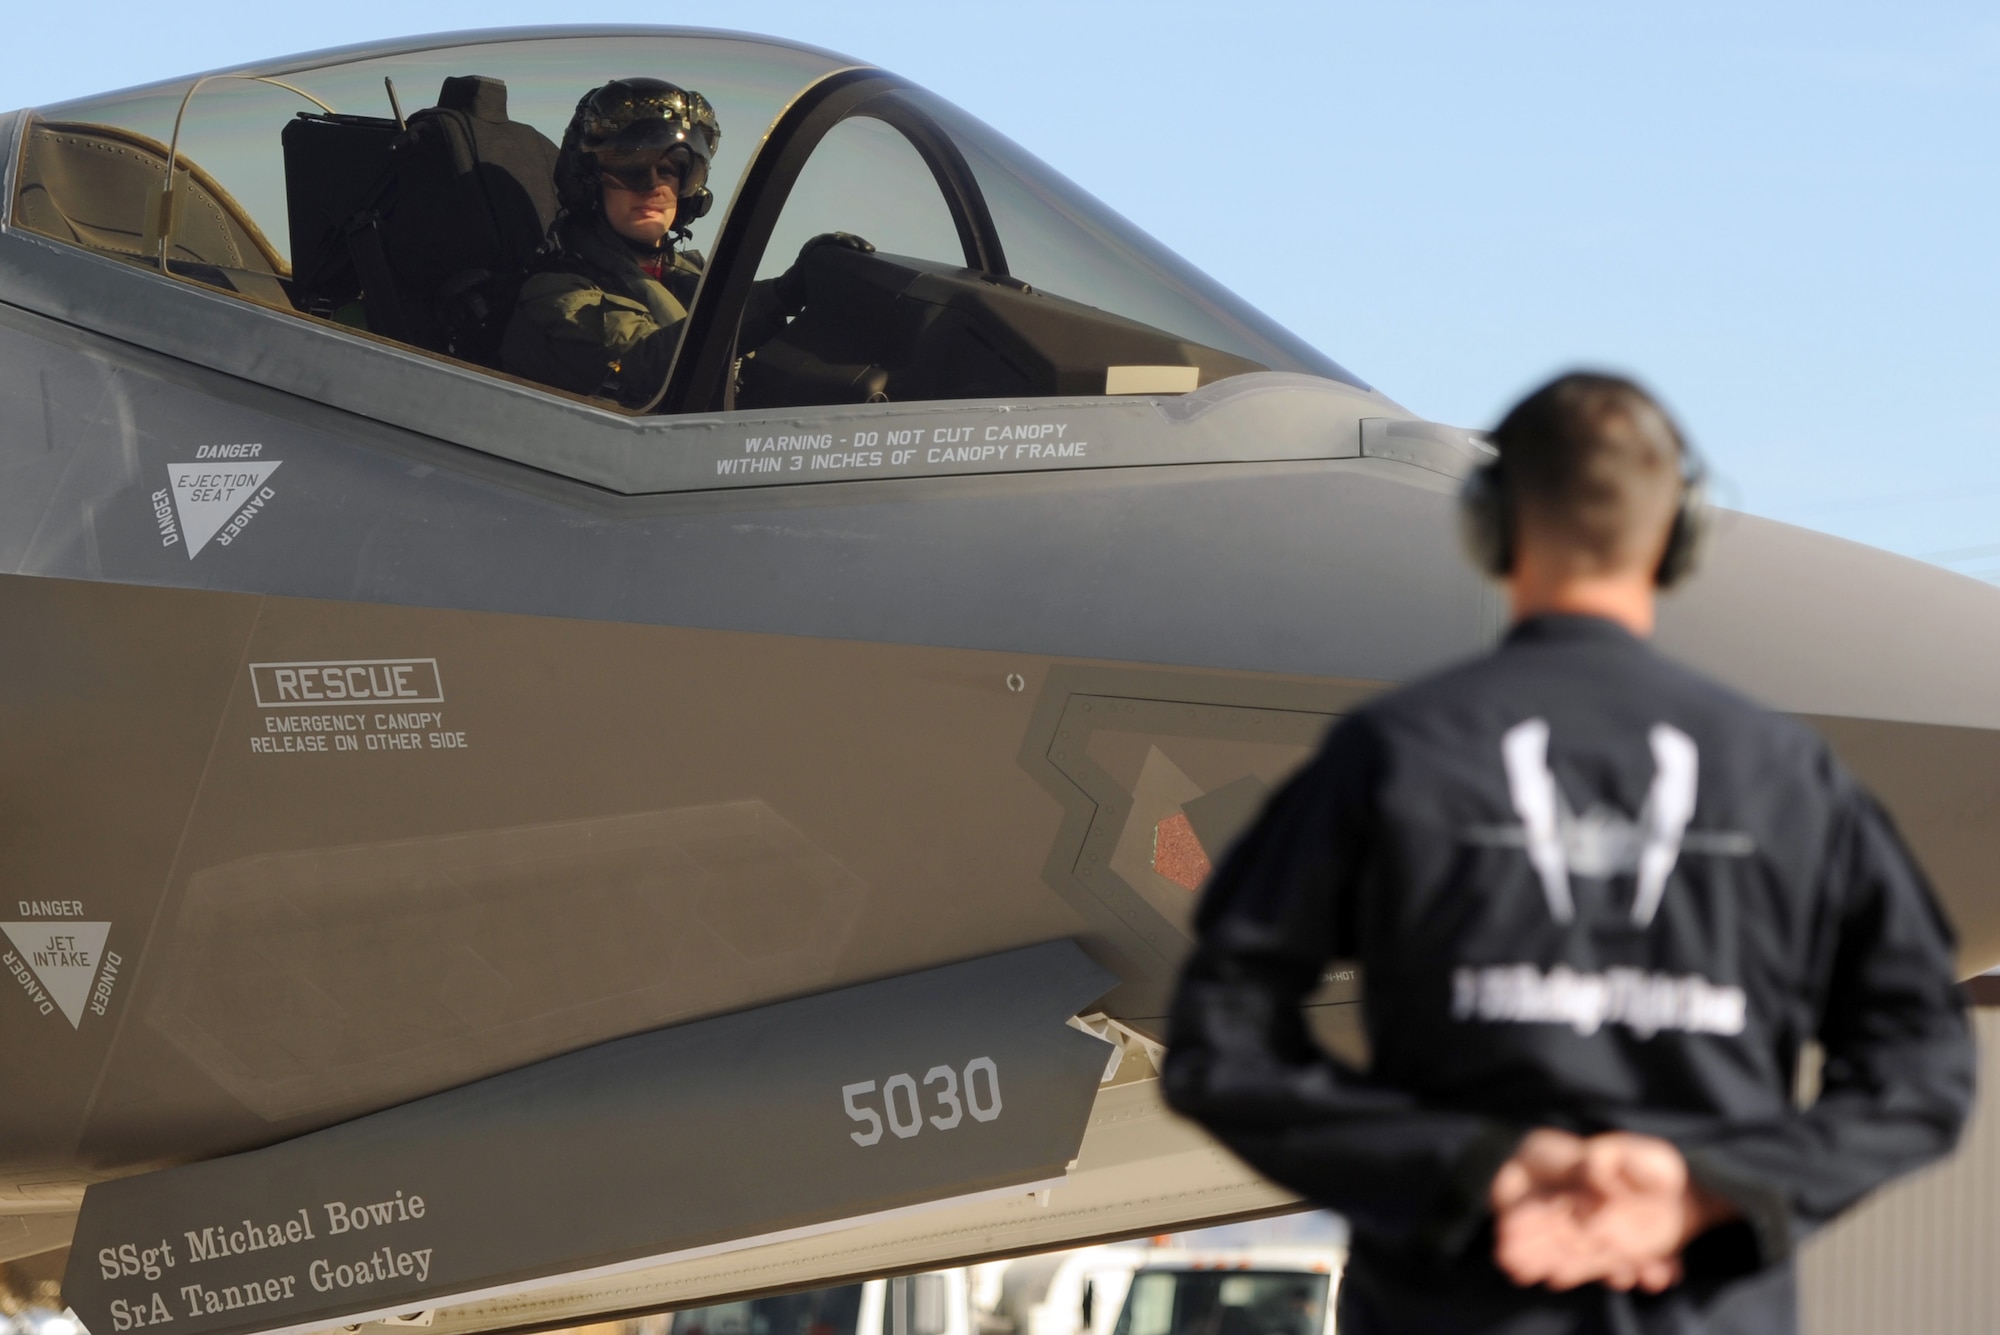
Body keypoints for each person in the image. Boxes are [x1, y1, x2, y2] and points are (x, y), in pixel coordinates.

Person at [1161, 371, 1975, 1333]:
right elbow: (1922, 1071)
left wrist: (1479, 1167)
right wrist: (1703, 1189)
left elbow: (1220, 1041)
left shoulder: (1392, 757)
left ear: (1490, 528)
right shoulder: (1791, 778)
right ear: (1678, 539)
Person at [501, 78, 869, 409]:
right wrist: (783, 293)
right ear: (589, 181)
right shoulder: (556, 292)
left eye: (671, 169)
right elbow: (646, 363)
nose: (654, 187)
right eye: (632, 169)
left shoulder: (689, 276)